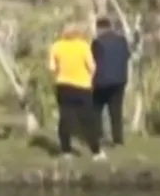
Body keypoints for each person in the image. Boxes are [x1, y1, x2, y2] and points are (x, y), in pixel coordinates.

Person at [50, 23, 104, 161]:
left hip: (63, 85)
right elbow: (92, 67)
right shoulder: (83, 46)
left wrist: (58, 77)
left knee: (65, 118)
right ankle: (96, 151)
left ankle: (66, 151)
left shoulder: (56, 46)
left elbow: (52, 68)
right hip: (82, 86)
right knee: (88, 120)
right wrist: (90, 80)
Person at [92, 17, 131, 148]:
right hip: (120, 80)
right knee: (116, 111)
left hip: (102, 81)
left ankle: (98, 136)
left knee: (96, 109)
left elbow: (93, 61)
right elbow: (127, 56)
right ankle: (118, 140)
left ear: (99, 28)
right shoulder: (122, 41)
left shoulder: (97, 42)